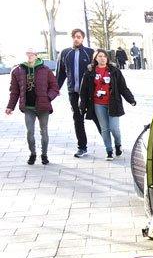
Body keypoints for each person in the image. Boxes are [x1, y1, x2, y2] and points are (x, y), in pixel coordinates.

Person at [79, 49, 136, 160]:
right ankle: (109, 151)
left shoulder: (114, 71)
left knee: (114, 128)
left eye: (104, 56)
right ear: (95, 58)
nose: (102, 58)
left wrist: (131, 99)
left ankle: (118, 144)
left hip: (113, 103)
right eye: (99, 56)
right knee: (104, 129)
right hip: (98, 104)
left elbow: (122, 87)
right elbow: (83, 91)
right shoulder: (90, 72)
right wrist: (82, 105)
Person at [6, 48, 59, 165]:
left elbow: (55, 87)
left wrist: (48, 98)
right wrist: (10, 106)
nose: (29, 55)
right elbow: (14, 91)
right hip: (28, 108)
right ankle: (33, 154)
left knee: (44, 131)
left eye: (31, 53)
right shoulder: (17, 71)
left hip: (43, 107)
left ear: (36, 55)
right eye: (27, 54)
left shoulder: (45, 70)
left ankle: (44, 155)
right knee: (30, 132)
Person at [56, 28, 97, 157]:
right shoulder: (65, 53)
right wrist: (55, 89)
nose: (76, 38)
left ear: (82, 38)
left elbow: (100, 70)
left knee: (97, 117)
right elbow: (60, 74)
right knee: (78, 119)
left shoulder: (90, 53)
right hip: (73, 92)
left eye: (79, 36)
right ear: (72, 38)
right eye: (74, 36)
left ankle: (109, 146)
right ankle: (82, 147)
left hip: (89, 93)